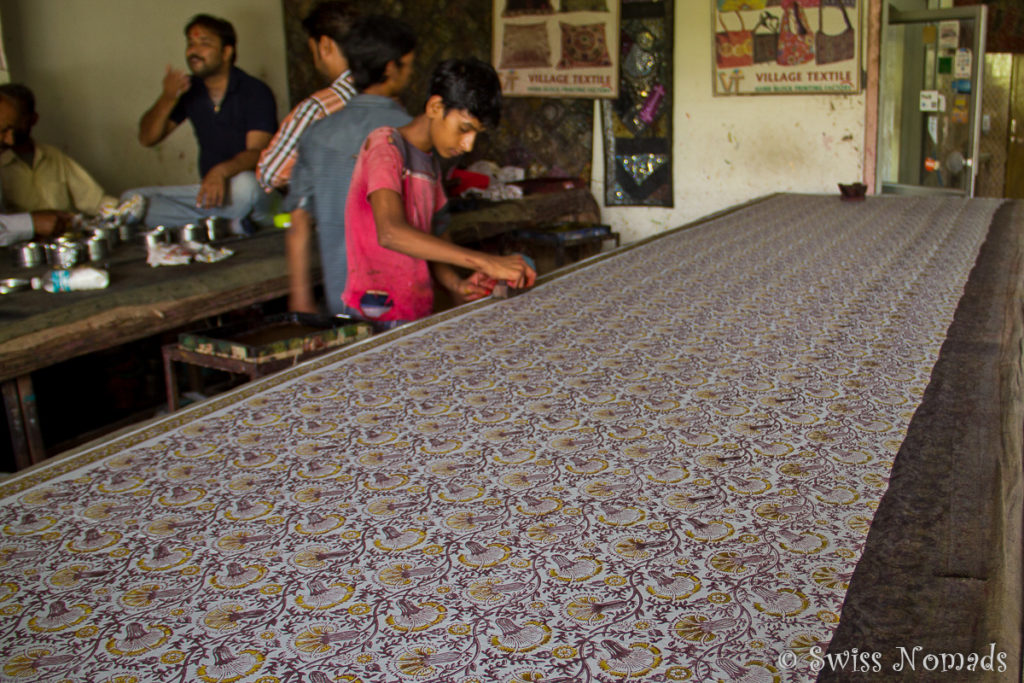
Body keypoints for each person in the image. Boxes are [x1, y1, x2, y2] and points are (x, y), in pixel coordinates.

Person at [341, 57, 535, 326]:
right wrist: (485, 262)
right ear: (435, 107)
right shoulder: (384, 146)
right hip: (377, 312)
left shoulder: (429, 162)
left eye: (476, 134)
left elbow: (432, 239)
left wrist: (456, 284)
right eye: (464, 129)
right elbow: (390, 232)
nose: (468, 145)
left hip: (416, 308)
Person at [286, 14, 417, 315]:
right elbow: (428, 224)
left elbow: (298, 226)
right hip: (405, 302)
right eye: (408, 65)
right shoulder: (410, 133)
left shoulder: (318, 134)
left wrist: (301, 299)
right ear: (390, 68)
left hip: (342, 303)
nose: (411, 73)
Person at [130, 14, 278, 232]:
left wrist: (220, 172)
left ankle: (214, 223)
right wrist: (167, 97)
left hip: (253, 192)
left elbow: (259, 152)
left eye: (204, 43)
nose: (193, 51)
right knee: (134, 201)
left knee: (245, 186)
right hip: (212, 195)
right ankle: (228, 225)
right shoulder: (191, 92)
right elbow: (147, 138)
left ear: (226, 52)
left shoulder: (254, 91)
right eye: (190, 44)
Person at [0, 83, 142, 223]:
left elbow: (94, 200)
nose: (11, 137)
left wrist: (127, 209)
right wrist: (33, 222)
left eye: (19, 121)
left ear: (33, 119)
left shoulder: (52, 156)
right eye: (5, 128)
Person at [256, 1, 357, 193]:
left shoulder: (319, 108)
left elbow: (271, 174)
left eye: (312, 51)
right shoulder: (387, 100)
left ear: (324, 46)